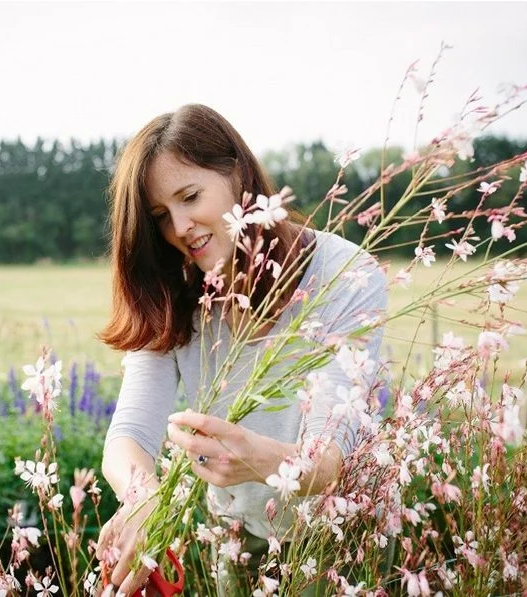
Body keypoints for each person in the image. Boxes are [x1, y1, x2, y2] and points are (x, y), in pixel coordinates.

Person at [95, 104, 386, 596]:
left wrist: (260, 459)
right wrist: (143, 498)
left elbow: (334, 458)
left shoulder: (345, 274)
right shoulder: (174, 290)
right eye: (161, 216)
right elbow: (128, 436)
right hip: (233, 538)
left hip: (338, 542)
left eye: (190, 196)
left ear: (237, 174)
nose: (181, 227)